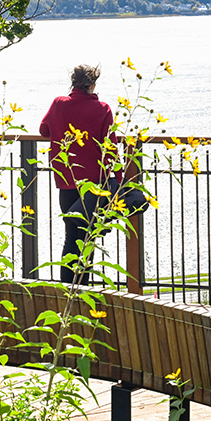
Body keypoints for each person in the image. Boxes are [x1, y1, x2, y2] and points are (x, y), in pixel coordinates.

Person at [39, 64, 122, 284]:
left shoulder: (58, 104)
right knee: (88, 238)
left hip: (66, 182)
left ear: (73, 83)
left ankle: (67, 290)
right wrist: (119, 180)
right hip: (94, 185)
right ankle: (83, 289)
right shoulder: (103, 109)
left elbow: (43, 130)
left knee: (70, 238)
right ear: (93, 84)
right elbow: (111, 147)